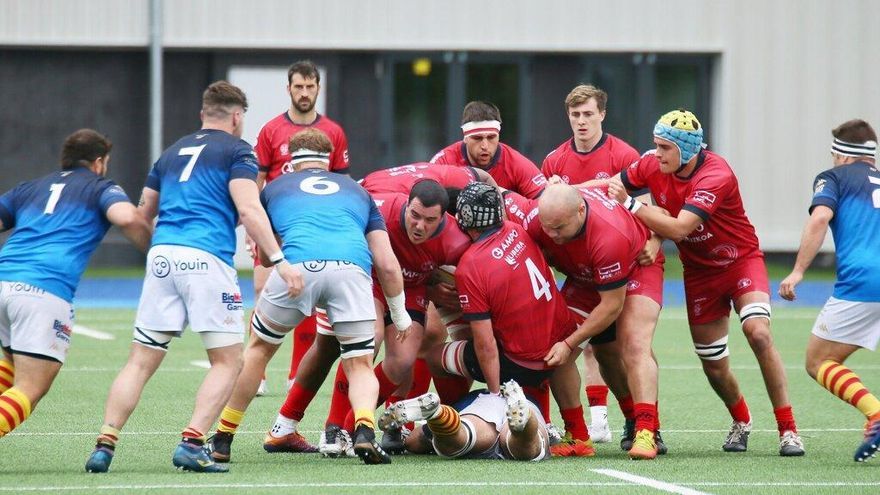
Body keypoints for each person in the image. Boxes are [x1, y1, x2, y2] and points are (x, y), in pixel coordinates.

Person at [85, 81, 301, 473]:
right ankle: (192, 442)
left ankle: (105, 443)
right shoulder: (238, 151)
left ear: (203, 114)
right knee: (228, 361)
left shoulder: (170, 153)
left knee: (139, 361)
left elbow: (137, 217)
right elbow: (250, 210)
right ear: (237, 118)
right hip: (207, 260)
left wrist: (159, 251)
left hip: (164, 257)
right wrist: (279, 260)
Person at [605, 109, 805, 456]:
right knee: (713, 364)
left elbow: (680, 227)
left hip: (739, 261)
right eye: (655, 145)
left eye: (664, 147)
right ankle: (741, 421)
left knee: (758, 332)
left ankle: (788, 430)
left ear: (687, 150)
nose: (656, 153)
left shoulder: (716, 173)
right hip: (699, 274)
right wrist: (564, 191)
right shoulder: (653, 163)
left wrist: (632, 206)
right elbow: (613, 184)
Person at [208, 128, 412, 465]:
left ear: (290, 161)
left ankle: (223, 437)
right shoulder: (358, 192)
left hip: (298, 268)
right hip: (352, 271)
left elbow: (263, 251)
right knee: (360, 363)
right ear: (330, 161)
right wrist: (399, 314)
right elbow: (388, 266)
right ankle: (363, 431)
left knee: (259, 349)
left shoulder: (273, 188)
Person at [0, 129, 151, 442]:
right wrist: (157, 251)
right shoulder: (99, 187)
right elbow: (127, 218)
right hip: (43, 290)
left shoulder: (31, 187)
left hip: (4, 279)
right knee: (32, 386)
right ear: (98, 162)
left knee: (12, 365)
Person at [424, 183, 589, 455]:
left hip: (521, 362)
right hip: (559, 345)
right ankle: (577, 432)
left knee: (434, 356)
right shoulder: (518, 229)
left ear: (464, 219)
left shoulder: (472, 266)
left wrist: (492, 394)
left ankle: (458, 411)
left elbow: (485, 343)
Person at [504, 183, 665, 459]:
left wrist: (570, 342)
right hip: (585, 277)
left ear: (580, 211)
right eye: (547, 228)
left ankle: (648, 430)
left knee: (633, 345)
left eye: (559, 228)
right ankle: (578, 435)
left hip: (636, 268)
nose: (551, 235)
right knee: (552, 349)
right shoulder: (537, 217)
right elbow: (500, 193)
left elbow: (611, 306)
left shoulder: (608, 236)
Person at [312, 180, 471, 457]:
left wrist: (438, 286)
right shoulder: (380, 206)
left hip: (411, 291)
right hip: (370, 280)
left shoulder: (457, 240)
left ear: (444, 218)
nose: (419, 225)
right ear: (407, 205)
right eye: (415, 215)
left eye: (430, 220)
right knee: (367, 341)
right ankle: (334, 428)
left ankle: (360, 426)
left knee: (402, 361)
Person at [541, 84, 642, 443]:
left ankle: (643, 423)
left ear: (602, 114)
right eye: (575, 115)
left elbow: (651, 208)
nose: (581, 121)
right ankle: (577, 427)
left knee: (626, 347)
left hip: (627, 260)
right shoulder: (554, 161)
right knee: (559, 342)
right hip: (582, 270)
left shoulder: (625, 155)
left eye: (588, 114)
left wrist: (656, 241)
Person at [779, 119, 880, 462]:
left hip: (863, 282)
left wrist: (797, 271)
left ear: (842, 154)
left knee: (819, 360)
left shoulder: (833, 177)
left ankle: (876, 414)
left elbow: (820, 219)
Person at [252, 60, 351, 398]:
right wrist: (255, 227)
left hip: (312, 228)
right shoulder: (270, 130)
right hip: (276, 226)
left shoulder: (334, 132)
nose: (304, 93)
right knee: (262, 289)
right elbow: (258, 179)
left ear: (318, 89)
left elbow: (343, 182)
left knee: (308, 296)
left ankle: (297, 374)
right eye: (299, 87)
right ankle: (258, 371)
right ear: (289, 89)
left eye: (310, 87)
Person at [380, 380, 550, 462]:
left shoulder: (469, 398)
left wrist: (408, 440)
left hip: (481, 403)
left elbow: (416, 440)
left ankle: (438, 414)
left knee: (462, 435)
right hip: (525, 400)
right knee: (528, 449)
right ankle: (524, 419)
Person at [430, 101, 546, 199]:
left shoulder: (516, 163)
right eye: (477, 138)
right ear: (465, 138)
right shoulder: (443, 161)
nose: (485, 145)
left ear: (498, 136)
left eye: (491, 137)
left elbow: (544, 202)